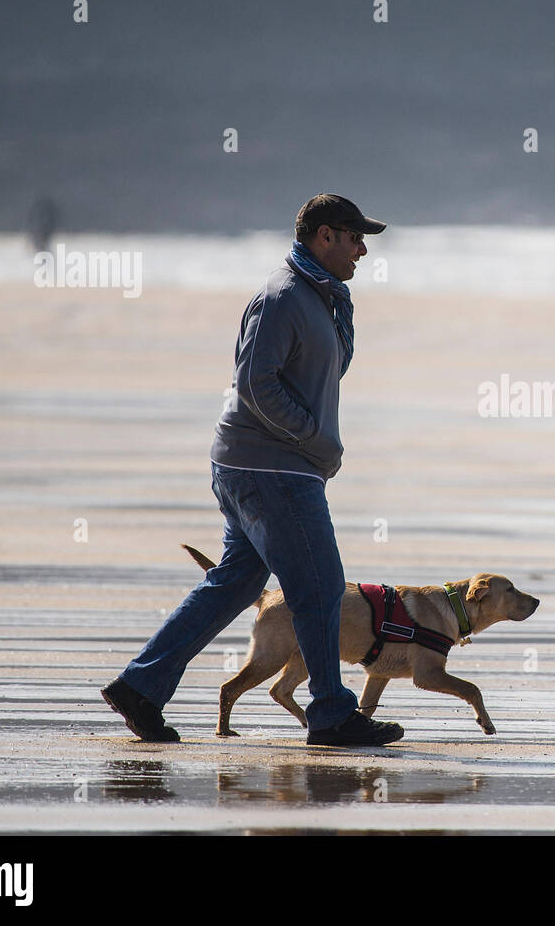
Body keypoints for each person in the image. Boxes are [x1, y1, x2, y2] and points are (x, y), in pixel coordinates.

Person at [102, 194, 404, 746]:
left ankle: (141, 686)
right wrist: (314, 440)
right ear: (324, 236)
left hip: (262, 466)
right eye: (354, 237)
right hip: (273, 469)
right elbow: (254, 386)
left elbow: (314, 372)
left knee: (236, 582)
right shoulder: (283, 298)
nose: (363, 249)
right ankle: (333, 713)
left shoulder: (319, 298)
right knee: (319, 586)